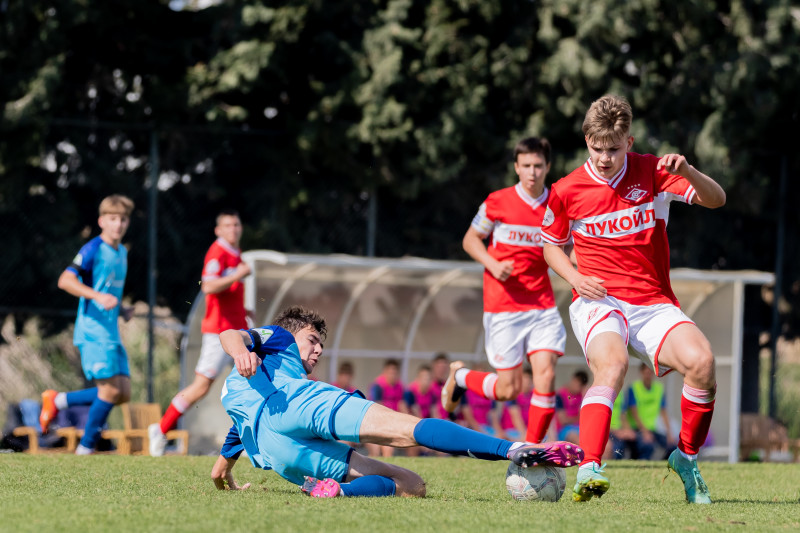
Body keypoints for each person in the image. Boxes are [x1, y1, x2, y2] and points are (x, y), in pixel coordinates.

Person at [541, 94, 726, 503]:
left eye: (613, 148)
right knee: (613, 363)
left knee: (703, 363)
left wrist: (690, 171)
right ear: (587, 139)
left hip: (653, 302)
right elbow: (552, 245)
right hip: (598, 300)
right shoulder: (566, 189)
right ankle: (590, 466)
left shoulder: (655, 172)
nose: (605, 157)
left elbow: (718, 200)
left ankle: (686, 458)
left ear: (629, 140)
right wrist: (574, 277)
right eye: (597, 147)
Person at [210, 305, 583, 498]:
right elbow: (230, 334)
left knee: (411, 483)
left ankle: (336, 493)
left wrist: (223, 470)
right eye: (312, 340)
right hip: (294, 403)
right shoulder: (277, 337)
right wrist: (240, 351)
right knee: (408, 430)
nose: (318, 349)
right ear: (291, 335)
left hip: (278, 452)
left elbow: (237, 433)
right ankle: (513, 448)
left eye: (321, 344)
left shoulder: (240, 396)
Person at [442, 137, 567, 444]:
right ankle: (459, 377)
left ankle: (531, 451)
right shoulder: (497, 201)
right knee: (508, 389)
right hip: (503, 306)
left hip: (542, 305)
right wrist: (492, 263)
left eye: (538, 165)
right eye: (526, 166)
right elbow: (471, 239)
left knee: (546, 375)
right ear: (516, 167)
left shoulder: (558, 205)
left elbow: (568, 248)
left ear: (548, 166)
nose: (533, 172)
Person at [149, 210, 252, 456]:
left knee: (255, 378)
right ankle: (161, 430)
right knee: (200, 387)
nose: (233, 229)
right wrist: (239, 274)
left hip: (238, 330)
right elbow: (208, 286)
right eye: (227, 225)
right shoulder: (218, 252)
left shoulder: (235, 254)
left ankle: (256, 442)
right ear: (218, 230)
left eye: (236, 224)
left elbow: (229, 295)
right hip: (219, 333)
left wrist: (245, 311)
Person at [39, 194, 135, 455]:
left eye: (123, 219)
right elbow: (65, 280)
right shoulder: (92, 249)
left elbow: (108, 291)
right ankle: (86, 449)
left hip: (111, 331)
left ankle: (58, 400)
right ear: (102, 221)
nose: (118, 224)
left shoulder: (122, 253)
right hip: (93, 330)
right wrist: (97, 296)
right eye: (113, 219)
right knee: (110, 390)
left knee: (122, 393)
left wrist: (122, 308)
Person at [626, 364, 677, 459]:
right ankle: (641, 468)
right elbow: (634, 412)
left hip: (652, 429)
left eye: (650, 373)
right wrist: (644, 432)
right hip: (637, 429)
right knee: (647, 446)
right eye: (646, 373)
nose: (648, 375)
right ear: (641, 373)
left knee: (673, 447)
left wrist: (670, 433)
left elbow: (664, 412)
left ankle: (664, 469)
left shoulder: (659, 389)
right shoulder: (633, 388)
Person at [366, 359, 408, 457]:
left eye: (394, 372)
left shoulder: (400, 386)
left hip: (392, 424)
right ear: (385, 371)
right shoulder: (377, 386)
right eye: (390, 372)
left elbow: (402, 405)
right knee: (375, 451)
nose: (392, 375)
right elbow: (376, 408)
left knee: (389, 449)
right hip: (374, 424)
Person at [403, 365, 438, 456]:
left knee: (440, 440)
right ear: (418, 379)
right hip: (412, 425)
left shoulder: (432, 393)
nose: (426, 381)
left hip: (424, 424)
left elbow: (435, 413)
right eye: (424, 378)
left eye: (428, 379)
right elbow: (415, 413)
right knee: (414, 444)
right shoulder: (410, 392)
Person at [554, 370, 589, 444]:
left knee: (604, 443)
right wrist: (578, 418)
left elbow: (586, 418)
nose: (576, 386)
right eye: (576, 382)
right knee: (580, 441)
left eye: (579, 385)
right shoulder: (560, 395)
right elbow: (563, 421)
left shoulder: (582, 396)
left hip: (580, 428)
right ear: (573, 380)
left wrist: (585, 397)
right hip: (564, 430)